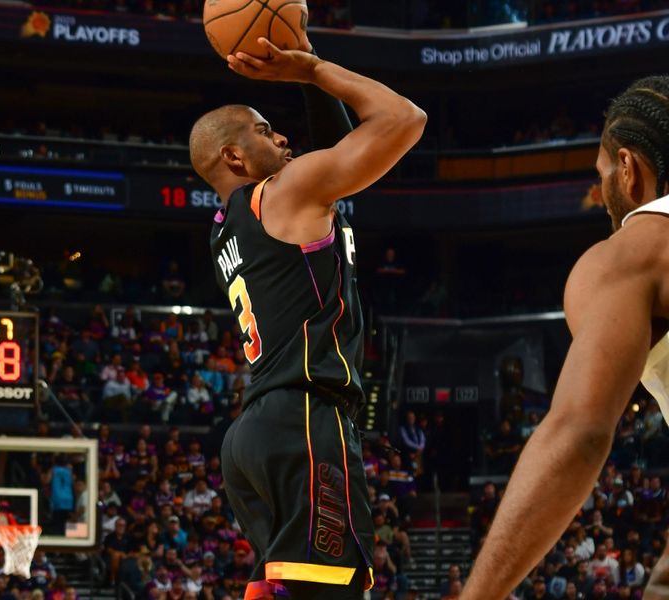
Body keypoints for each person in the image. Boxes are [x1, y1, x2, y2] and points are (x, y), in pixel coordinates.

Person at [190, 35, 425, 599]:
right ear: (235, 157)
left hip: (254, 433)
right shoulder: (284, 192)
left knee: (282, 589)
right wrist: (313, 70)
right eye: (265, 130)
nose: (283, 136)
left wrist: (299, 74)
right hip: (303, 417)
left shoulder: (232, 223)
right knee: (335, 592)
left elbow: (339, 151)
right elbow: (403, 119)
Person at [461, 75, 669, 600]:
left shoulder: (631, 254)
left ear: (628, 168)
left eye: (601, 176)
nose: (602, 198)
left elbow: (580, 433)